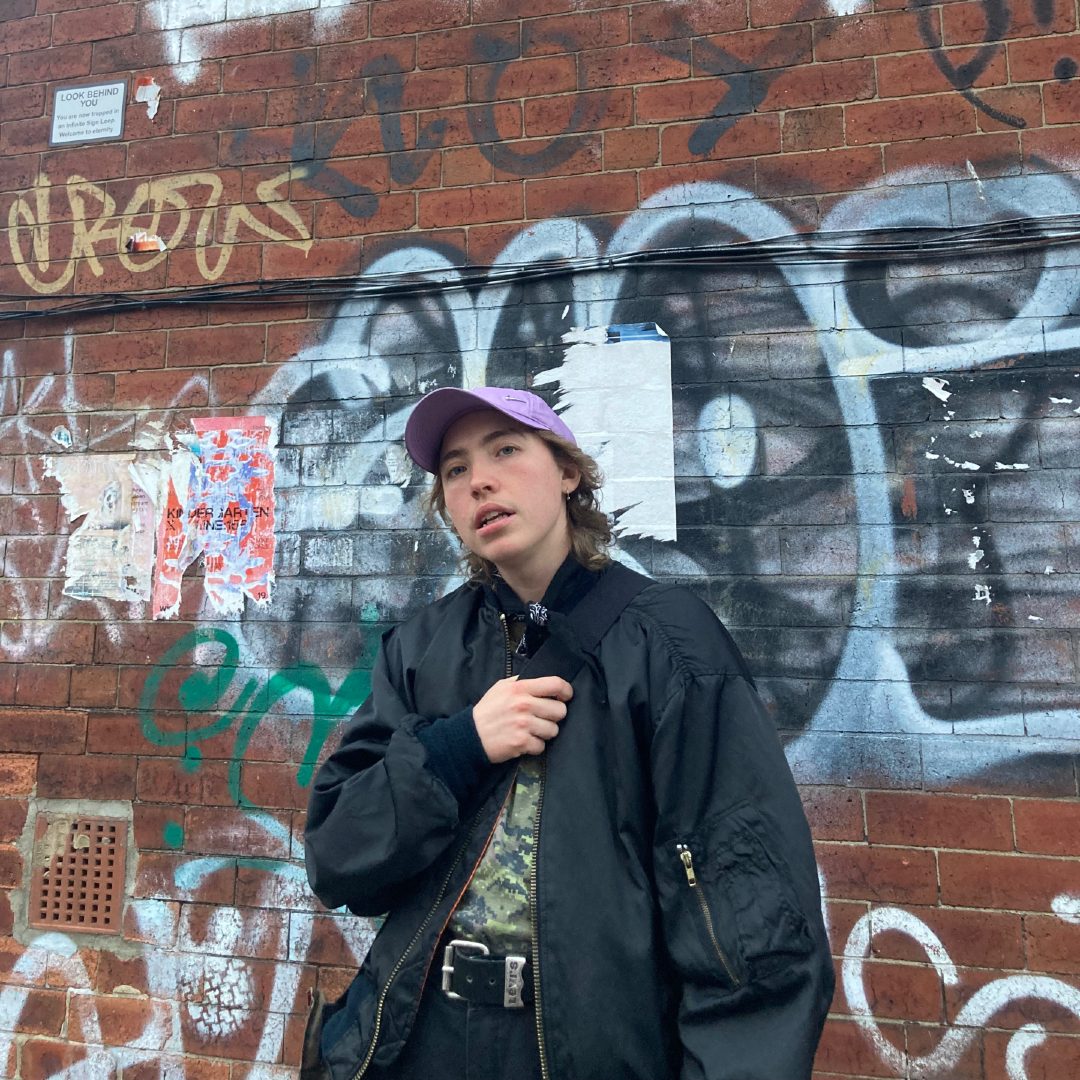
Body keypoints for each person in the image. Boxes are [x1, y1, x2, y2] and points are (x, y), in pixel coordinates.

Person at [303, 386, 834, 1080]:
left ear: (567, 472)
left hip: (591, 1050)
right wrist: (454, 749)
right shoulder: (420, 646)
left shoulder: (670, 645)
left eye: (505, 450)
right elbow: (340, 858)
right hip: (423, 1039)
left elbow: (751, 913)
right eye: (456, 470)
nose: (480, 480)